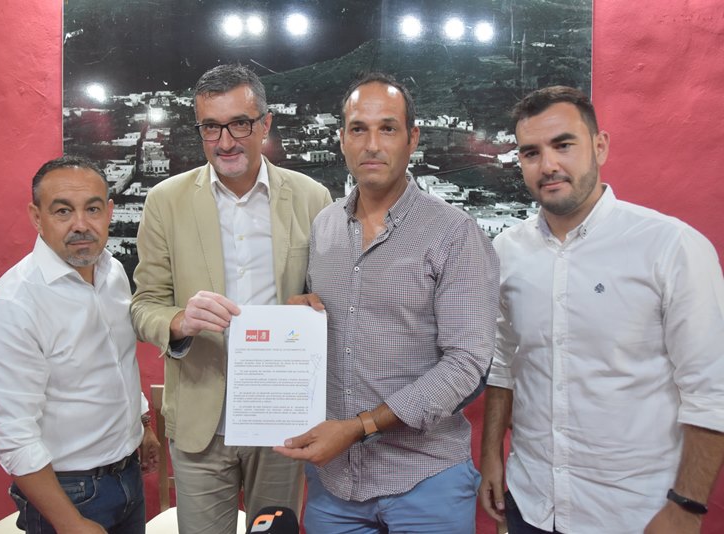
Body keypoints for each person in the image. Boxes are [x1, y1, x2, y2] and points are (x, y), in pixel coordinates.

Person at [479, 86, 724, 534]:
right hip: (531, 502)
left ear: (600, 146)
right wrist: (491, 456)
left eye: (563, 145)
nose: (548, 165)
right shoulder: (507, 251)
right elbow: (503, 363)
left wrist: (687, 507)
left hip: (634, 513)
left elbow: (712, 390)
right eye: (531, 152)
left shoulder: (671, 247)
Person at [274, 72, 500, 534]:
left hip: (426, 479)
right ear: (341, 139)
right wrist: (303, 319)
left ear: (412, 138)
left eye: (388, 128)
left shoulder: (454, 233)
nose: (372, 144)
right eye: (359, 129)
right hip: (335, 485)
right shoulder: (324, 227)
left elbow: (466, 364)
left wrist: (359, 427)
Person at [130, 64, 332, 533]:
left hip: (282, 416)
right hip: (200, 420)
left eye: (239, 124)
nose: (225, 142)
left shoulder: (312, 197)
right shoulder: (166, 201)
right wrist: (180, 321)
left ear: (265, 123)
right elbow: (144, 306)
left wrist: (316, 306)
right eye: (210, 127)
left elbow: (332, 298)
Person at [0, 155, 160, 534]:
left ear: (109, 212)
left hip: (128, 475)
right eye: (62, 211)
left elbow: (117, 361)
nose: (81, 224)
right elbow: (14, 436)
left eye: (92, 209)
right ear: (36, 217)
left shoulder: (112, 271)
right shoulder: (11, 306)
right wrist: (70, 523)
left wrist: (141, 423)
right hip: (69, 491)